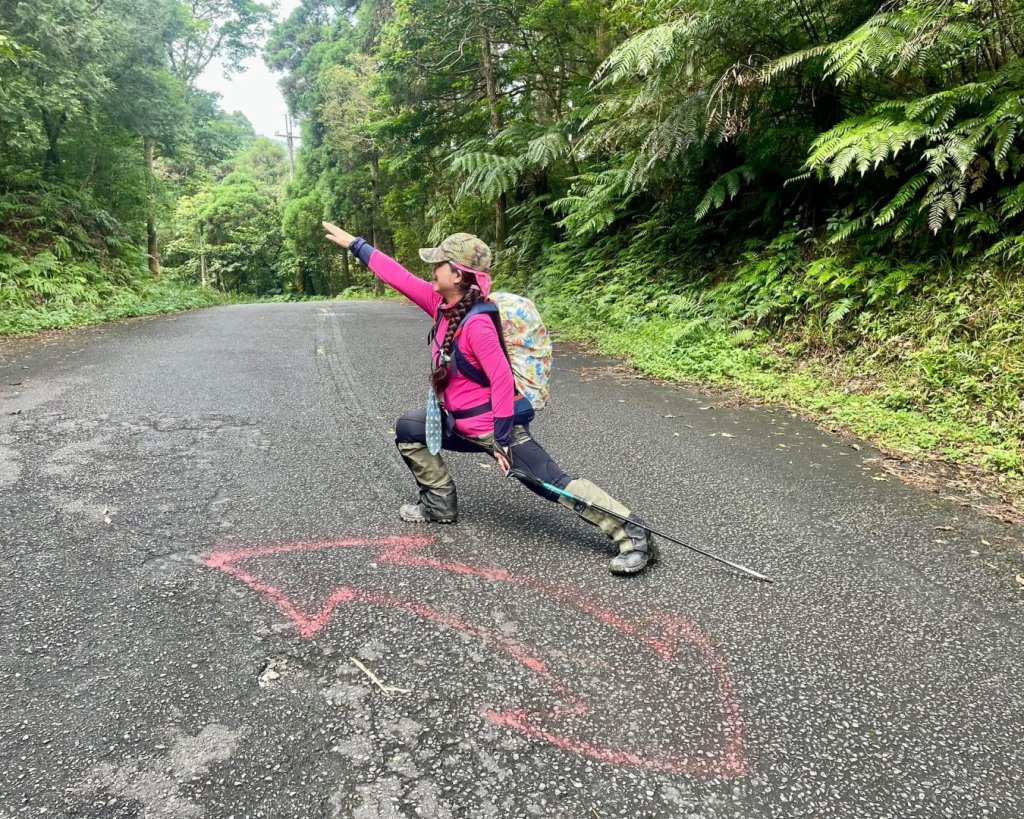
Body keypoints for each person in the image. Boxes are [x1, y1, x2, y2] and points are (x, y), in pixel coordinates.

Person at [322, 222, 656, 575]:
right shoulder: (441, 303)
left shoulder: (478, 325)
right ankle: (438, 505)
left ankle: (633, 534)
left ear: (457, 273)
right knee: (408, 428)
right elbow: (398, 277)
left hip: (493, 425)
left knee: (548, 482)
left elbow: (500, 381)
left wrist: (500, 440)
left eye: (438, 263)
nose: (431, 269)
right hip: (456, 421)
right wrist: (356, 244)